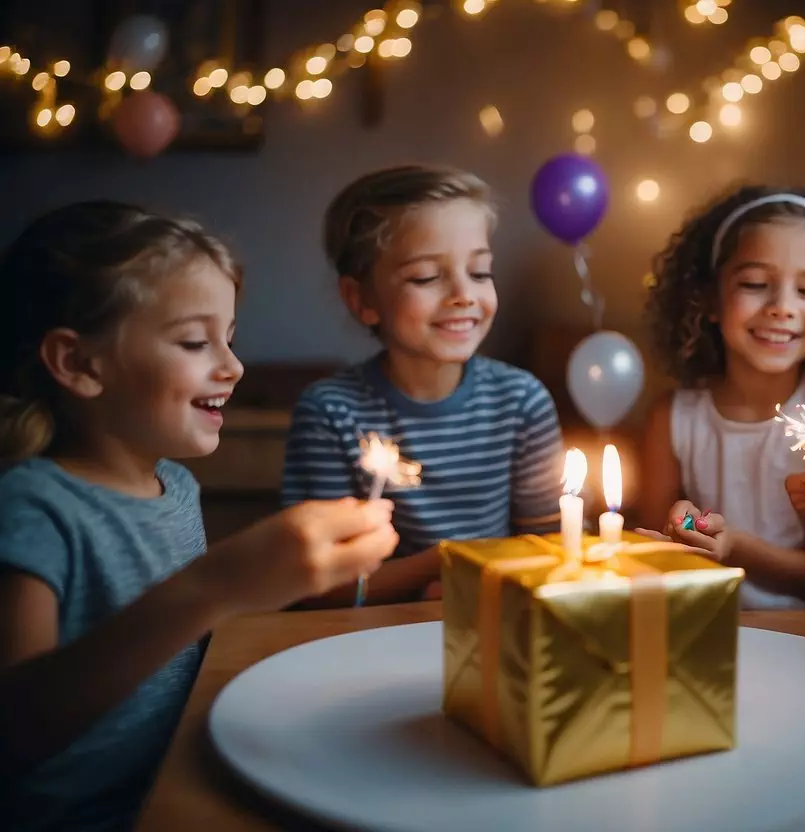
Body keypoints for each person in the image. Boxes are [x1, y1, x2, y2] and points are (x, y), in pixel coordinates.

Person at [0, 202, 399, 830]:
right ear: (78, 363)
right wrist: (212, 587)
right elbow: (15, 732)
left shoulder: (177, 487)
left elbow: (192, 650)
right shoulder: (33, 508)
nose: (233, 366)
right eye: (194, 341)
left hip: (187, 780)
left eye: (229, 339)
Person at [281, 165, 564, 606]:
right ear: (362, 299)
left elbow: (554, 551)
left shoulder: (522, 402)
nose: (463, 294)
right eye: (426, 277)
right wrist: (443, 564)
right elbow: (318, 587)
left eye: (480, 272)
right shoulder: (330, 412)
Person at [638, 185, 805, 609]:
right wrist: (680, 530)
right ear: (708, 298)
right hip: (718, 632)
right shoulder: (673, 416)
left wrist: (738, 547)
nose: (782, 307)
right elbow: (651, 560)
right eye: (755, 283)